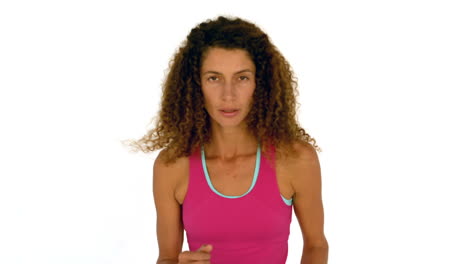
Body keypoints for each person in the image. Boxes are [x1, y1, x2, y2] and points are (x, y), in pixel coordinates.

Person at [123, 15, 328, 264]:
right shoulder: (171, 165)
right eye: (214, 78)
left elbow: (316, 246)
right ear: (195, 84)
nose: (228, 95)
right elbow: (167, 258)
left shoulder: (296, 159)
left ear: (260, 83)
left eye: (242, 78)